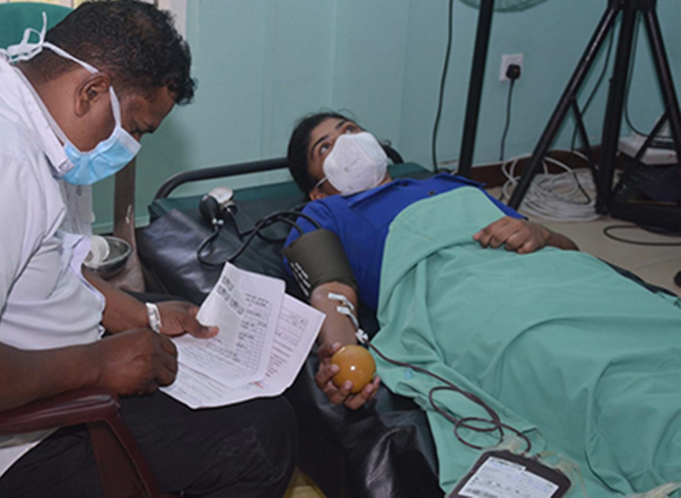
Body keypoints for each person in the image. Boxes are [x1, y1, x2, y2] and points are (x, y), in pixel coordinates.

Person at [0, 0, 297, 498]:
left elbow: (31, 264)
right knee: (263, 431)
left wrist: (138, 315)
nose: (132, 147)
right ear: (91, 92)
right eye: (137, 129)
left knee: (183, 347)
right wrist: (100, 365)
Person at [284, 111, 681, 497]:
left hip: (552, 274)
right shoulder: (323, 212)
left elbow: (568, 248)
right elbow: (330, 288)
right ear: (317, 188)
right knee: (596, 376)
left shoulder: (452, 184)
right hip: (465, 294)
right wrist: (343, 353)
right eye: (326, 147)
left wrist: (538, 232)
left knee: (652, 329)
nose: (347, 144)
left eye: (350, 129)